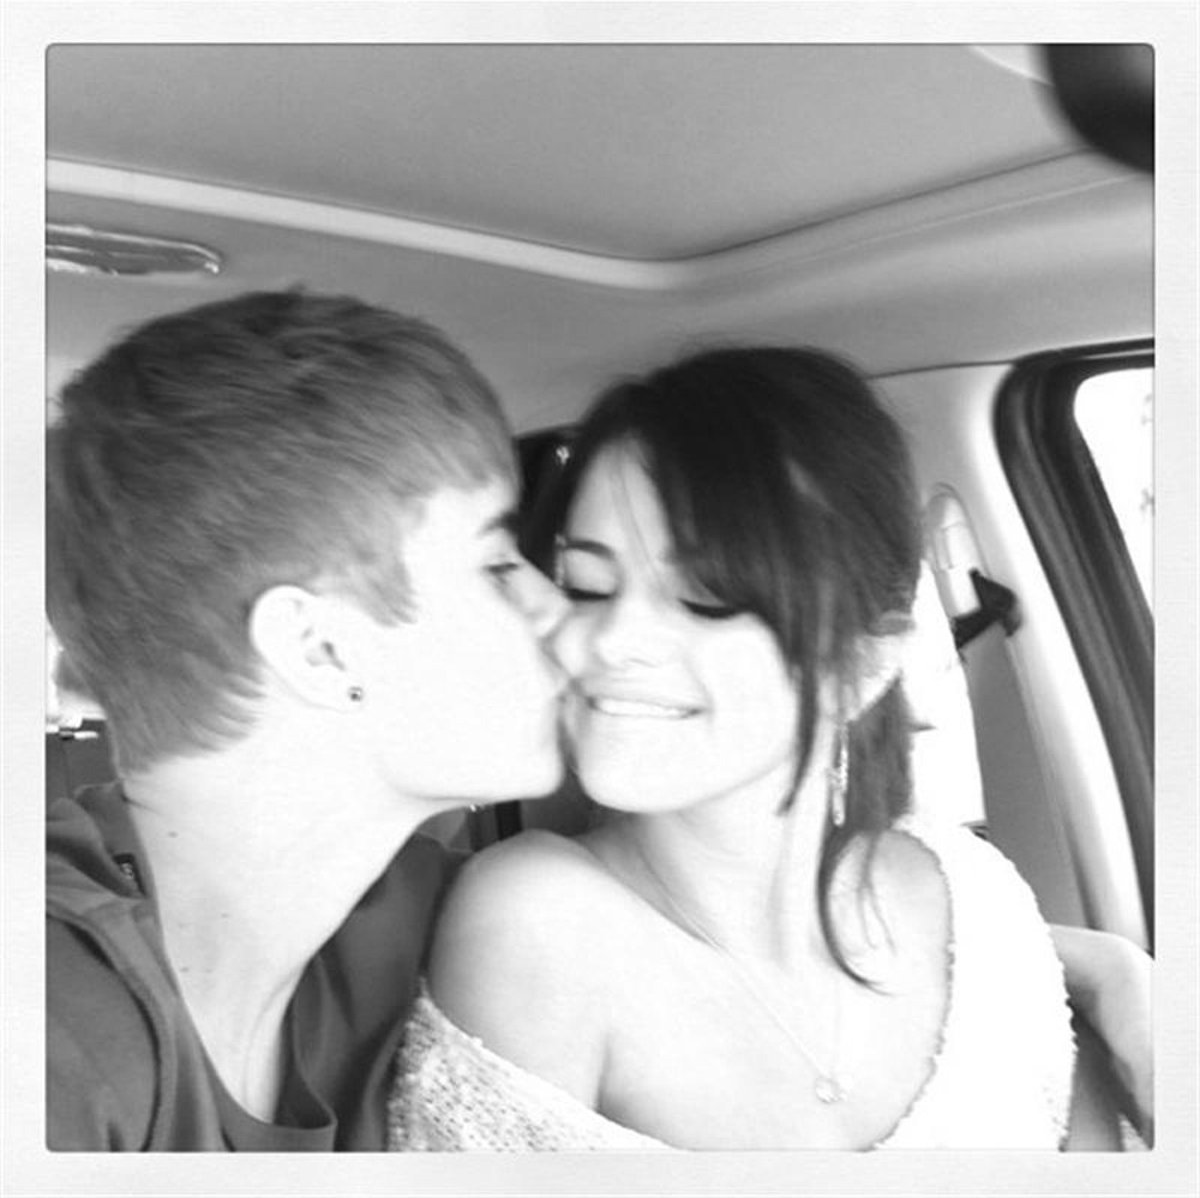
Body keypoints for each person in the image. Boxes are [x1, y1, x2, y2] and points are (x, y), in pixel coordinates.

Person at [391, 345, 1151, 1150]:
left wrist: (1112, 970)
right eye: (587, 585)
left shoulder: (976, 898)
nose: (609, 640)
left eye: (705, 597)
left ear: (862, 664)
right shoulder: (538, 921)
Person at [45, 288, 566, 1149]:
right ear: (319, 650)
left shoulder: (418, 926)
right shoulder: (47, 1034)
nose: (557, 609)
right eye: (498, 564)